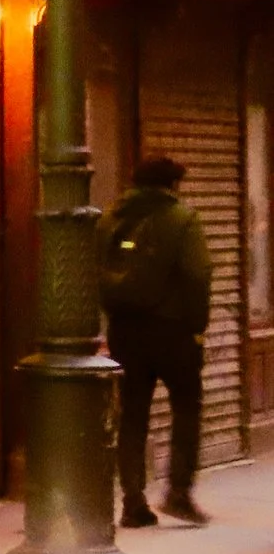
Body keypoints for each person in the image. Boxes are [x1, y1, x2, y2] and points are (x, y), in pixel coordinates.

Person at [99, 155, 214, 527]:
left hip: (125, 330)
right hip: (174, 331)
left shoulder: (110, 217)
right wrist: (197, 326)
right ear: (172, 184)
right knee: (186, 407)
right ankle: (178, 493)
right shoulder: (182, 218)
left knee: (132, 414)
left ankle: (133, 502)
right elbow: (197, 274)